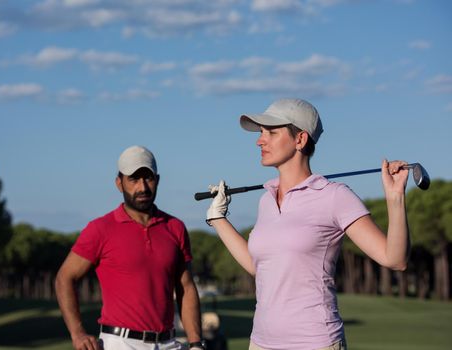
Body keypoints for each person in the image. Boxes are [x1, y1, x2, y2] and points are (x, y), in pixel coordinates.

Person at [205, 98, 410, 350]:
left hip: (315, 342)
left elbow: (394, 259)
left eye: (271, 132)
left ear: (300, 139)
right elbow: (259, 267)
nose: (260, 140)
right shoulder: (266, 200)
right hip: (260, 342)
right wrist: (218, 218)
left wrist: (395, 197)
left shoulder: (334, 196)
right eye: (260, 133)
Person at [56, 145, 205, 350]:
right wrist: (77, 333)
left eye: (148, 178)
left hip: (168, 342)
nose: (142, 187)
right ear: (119, 183)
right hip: (121, 343)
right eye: (134, 179)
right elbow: (65, 278)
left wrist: (196, 342)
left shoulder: (175, 227)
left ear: (158, 180)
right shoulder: (100, 229)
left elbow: (186, 287)